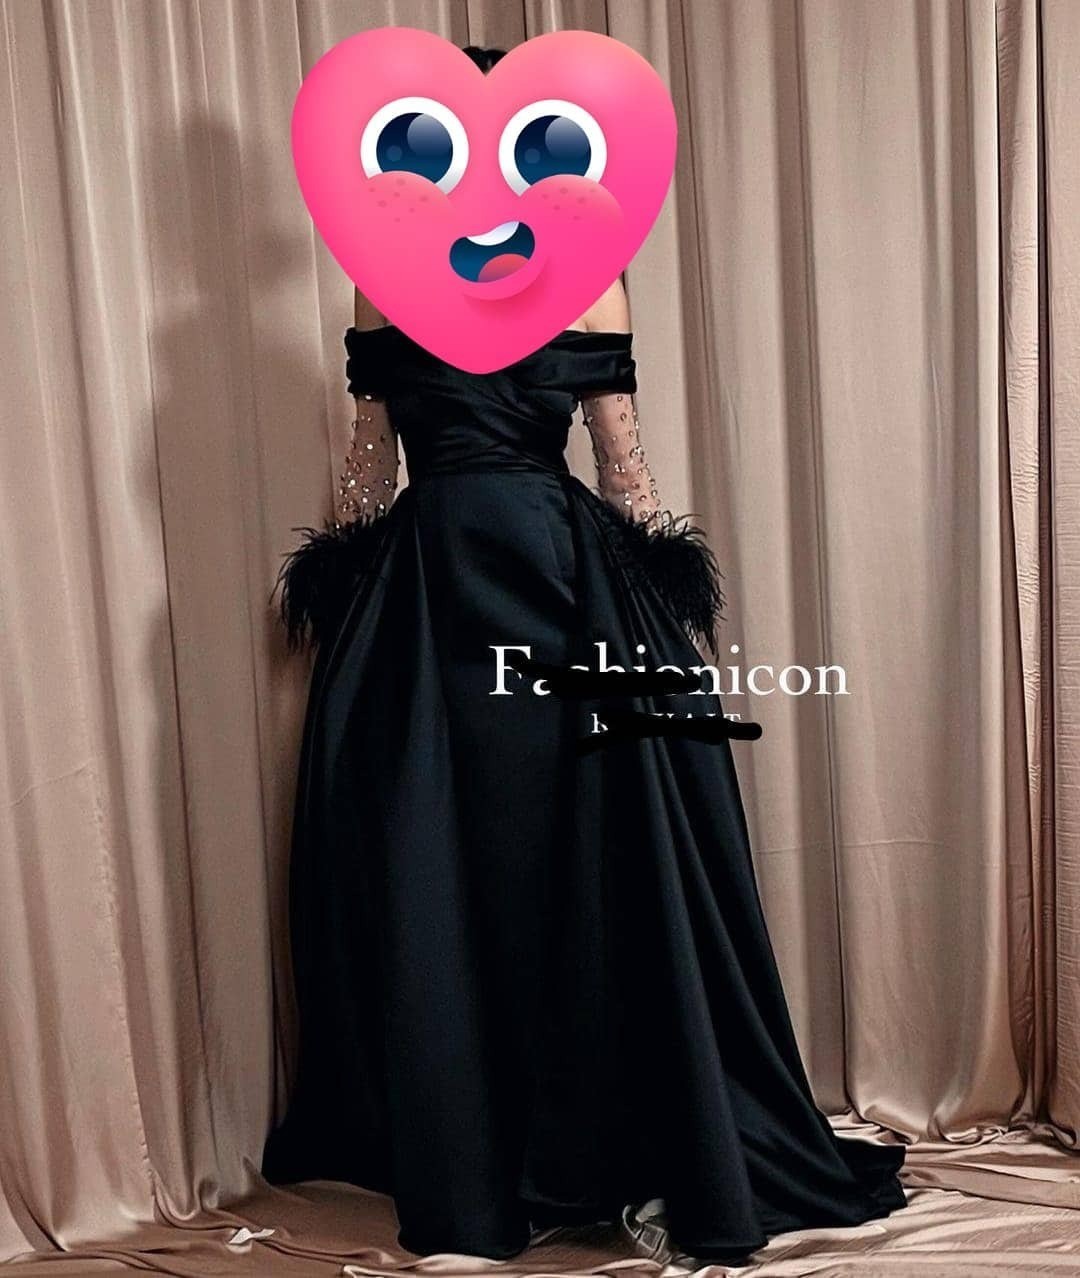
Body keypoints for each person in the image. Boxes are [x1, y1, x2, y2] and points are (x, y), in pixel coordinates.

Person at [261, 41, 907, 1265]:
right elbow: (400, 465)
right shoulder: (402, 284)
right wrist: (357, 590)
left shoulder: (543, 279)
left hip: (527, 582)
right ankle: (489, 1139)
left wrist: (655, 599)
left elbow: (577, 463)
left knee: (565, 853)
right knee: (450, 858)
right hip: (464, 589)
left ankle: (585, 1137)